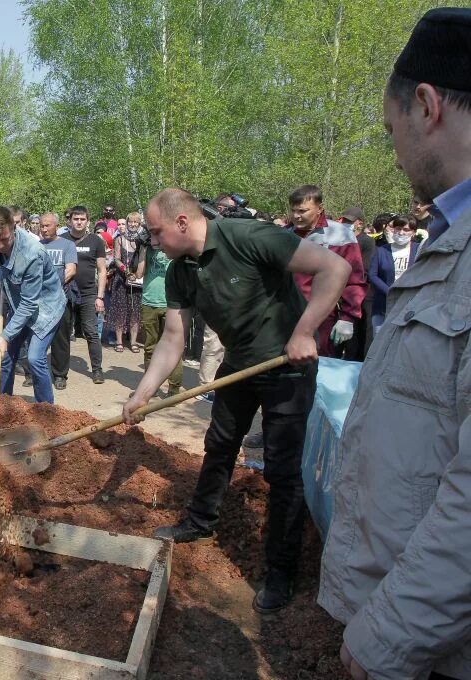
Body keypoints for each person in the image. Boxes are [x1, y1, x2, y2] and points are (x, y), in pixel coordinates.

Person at [320, 10, 471, 679]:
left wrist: (389, 635)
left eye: (391, 132)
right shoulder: (450, 239)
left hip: (429, 645)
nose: (396, 153)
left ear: (426, 104)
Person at [122, 188, 350, 614]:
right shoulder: (179, 271)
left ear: (182, 224)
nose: (154, 242)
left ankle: (280, 571)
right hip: (239, 365)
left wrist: (305, 331)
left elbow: (334, 268)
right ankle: (200, 522)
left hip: (286, 367)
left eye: (157, 234)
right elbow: (173, 339)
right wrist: (142, 394)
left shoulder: (247, 237)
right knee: (220, 443)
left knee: (283, 470)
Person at [0, 208, 66, 404]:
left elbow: (30, 303)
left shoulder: (32, 253)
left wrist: (6, 335)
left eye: (5, 239)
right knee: (4, 355)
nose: (0, 245)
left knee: (34, 358)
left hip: (46, 309)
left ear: (14, 228)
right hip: (20, 304)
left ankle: (46, 410)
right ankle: (4, 405)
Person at [288, 185, 366, 357]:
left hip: (323, 318)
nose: (296, 216)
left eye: (302, 211)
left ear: (319, 208)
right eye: (293, 211)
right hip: (286, 315)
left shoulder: (341, 235)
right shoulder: (285, 234)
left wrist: (348, 318)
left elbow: (354, 279)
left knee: (319, 368)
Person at [135, 223, 184, 396]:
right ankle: (150, 388)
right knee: (150, 347)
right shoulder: (148, 249)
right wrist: (142, 247)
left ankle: (174, 389)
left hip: (173, 304)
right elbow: (139, 273)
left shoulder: (175, 248)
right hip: (149, 302)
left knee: (175, 347)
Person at [64, 206, 107, 384]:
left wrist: (100, 297)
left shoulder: (96, 241)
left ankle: (97, 370)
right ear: (70, 220)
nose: (79, 222)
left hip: (89, 293)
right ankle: (60, 372)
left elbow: (102, 270)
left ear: (87, 221)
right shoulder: (62, 239)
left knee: (91, 331)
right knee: (63, 333)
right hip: (65, 292)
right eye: (76, 219)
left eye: (82, 219)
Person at [39, 213, 77, 391]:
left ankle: (60, 374)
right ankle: (35, 373)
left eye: (47, 225)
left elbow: (70, 270)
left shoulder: (67, 245)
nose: (44, 229)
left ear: (57, 226)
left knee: (61, 338)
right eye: (41, 226)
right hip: (40, 299)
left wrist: (51, 285)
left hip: (61, 298)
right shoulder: (36, 246)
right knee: (37, 335)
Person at [368, 214, 420, 334]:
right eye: (398, 228)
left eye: (406, 230)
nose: (401, 233)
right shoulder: (381, 250)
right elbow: (372, 275)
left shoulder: (419, 250)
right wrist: (390, 291)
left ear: (413, 232)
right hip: (383, 306)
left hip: (410, 305)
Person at [339, 207, 375, 360]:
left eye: (350, 221)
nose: (346, 223)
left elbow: (364, 268)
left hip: (359, 293)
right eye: (345, 220)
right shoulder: (340, 239)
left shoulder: (366, 241)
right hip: (339, 289)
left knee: (358, 334)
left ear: (360, 223)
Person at [109, 211, 145, 354]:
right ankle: (119, 341)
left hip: (136, 279)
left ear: (139, 223)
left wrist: (136, 274)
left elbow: (143, 259)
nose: (133, 224)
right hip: (121, 278)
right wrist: (125, 270)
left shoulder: (142, 241)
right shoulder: (120, 239)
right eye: (131, 222)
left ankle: (134, 341)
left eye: (136, 222)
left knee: (135, 311)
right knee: (120, 311)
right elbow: (116, 259)